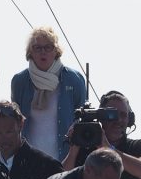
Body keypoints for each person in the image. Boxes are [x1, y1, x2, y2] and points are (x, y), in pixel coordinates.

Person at [11, 27, 86, 161]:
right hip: (29, 159)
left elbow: (83, 119)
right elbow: (14, 122)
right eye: (37, 48)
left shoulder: (74, 79)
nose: (43, 52)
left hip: (65, 158)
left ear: (56, 51)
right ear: (30, 52)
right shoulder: (19, 81)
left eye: (48, 47)